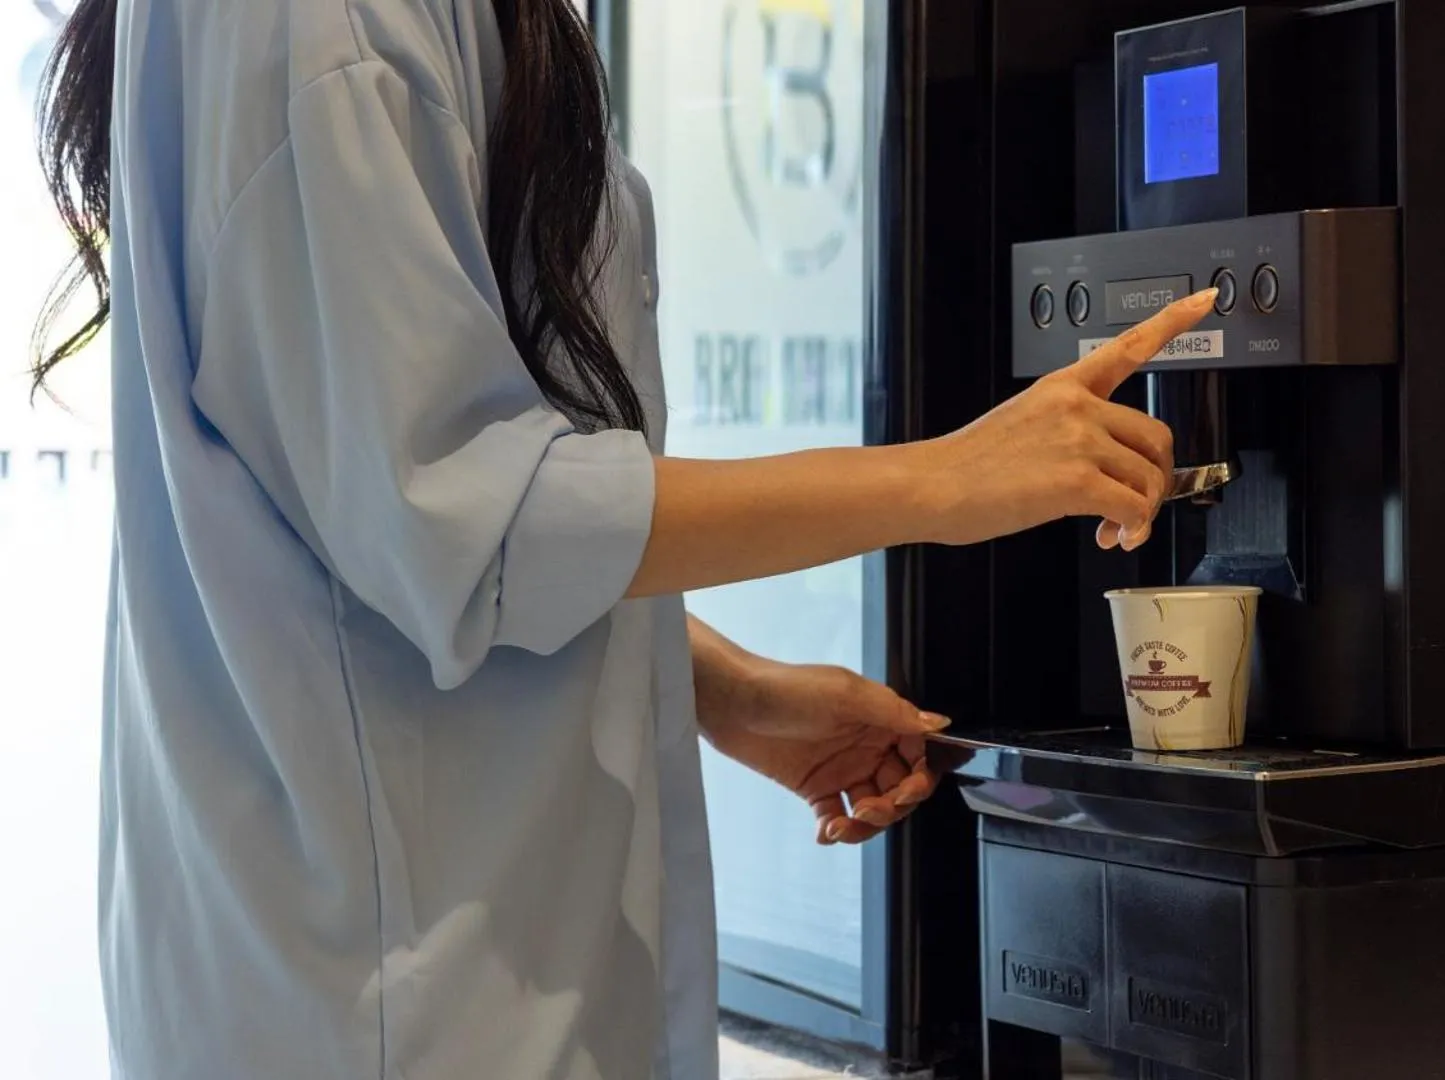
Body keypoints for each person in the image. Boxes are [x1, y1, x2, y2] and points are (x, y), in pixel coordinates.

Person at [31, 1, 1213, 1077]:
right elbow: (463, 516)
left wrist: (713, 685)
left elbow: (370, 517)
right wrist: (946, 478)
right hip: (393, 992)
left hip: (441, 954)